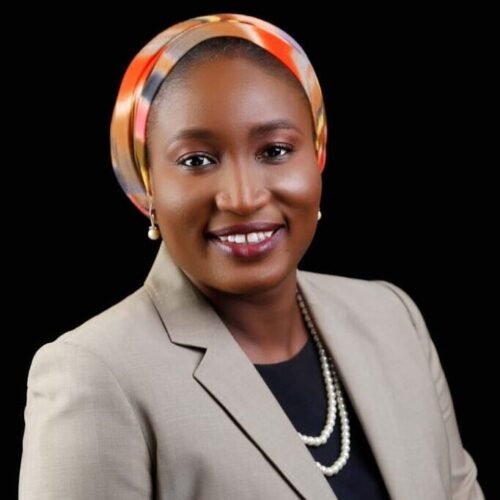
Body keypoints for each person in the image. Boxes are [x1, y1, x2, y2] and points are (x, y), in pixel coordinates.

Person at [19, 13, 484, 500]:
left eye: (275, 151)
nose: (242, 198)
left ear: (317, 157)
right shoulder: (95, 373)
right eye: (197, 160)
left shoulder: (392, 317)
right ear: (148, 185)